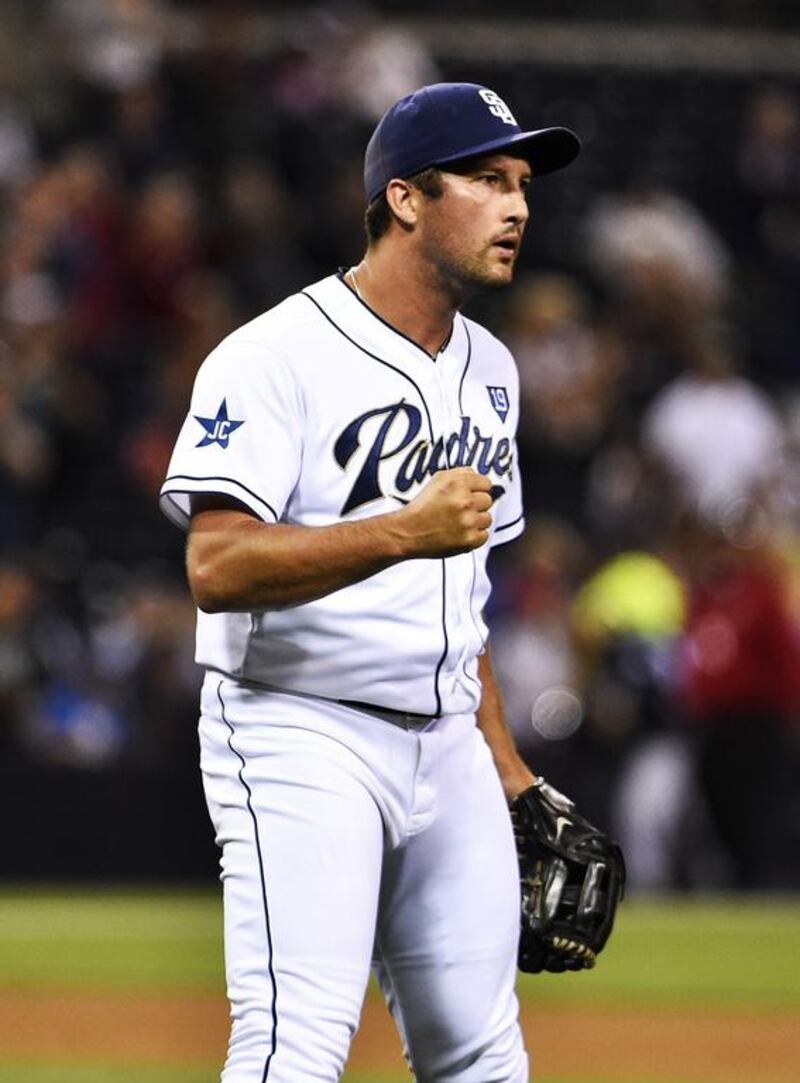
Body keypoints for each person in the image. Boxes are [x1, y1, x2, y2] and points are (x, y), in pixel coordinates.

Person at [160, 82, 580, 1083]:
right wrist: (401, 530)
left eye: (521, 183)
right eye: (487, 179)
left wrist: (508, 771)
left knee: (480, 1054)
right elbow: (215, 566)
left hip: (444, 743)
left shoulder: (490, 369)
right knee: (293, 1049)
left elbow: (458, 608)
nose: (518, 205)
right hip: (299, 728)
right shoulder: (272, 356)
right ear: (405, 199)